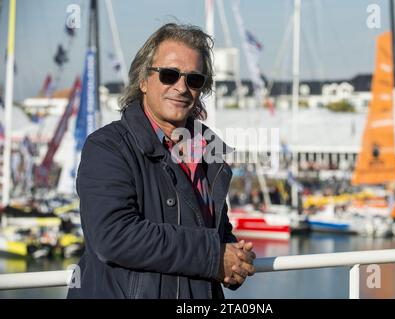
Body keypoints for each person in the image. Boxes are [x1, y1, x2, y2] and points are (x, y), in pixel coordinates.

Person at [67, 23, 256, 299]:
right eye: (169, 75)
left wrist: (234, 261)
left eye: (194, 79)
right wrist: (214, 256)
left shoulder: (206, 152)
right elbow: (113, 235)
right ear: (143, 80)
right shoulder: (107, 147)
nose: (181, 88)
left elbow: (216, 230)